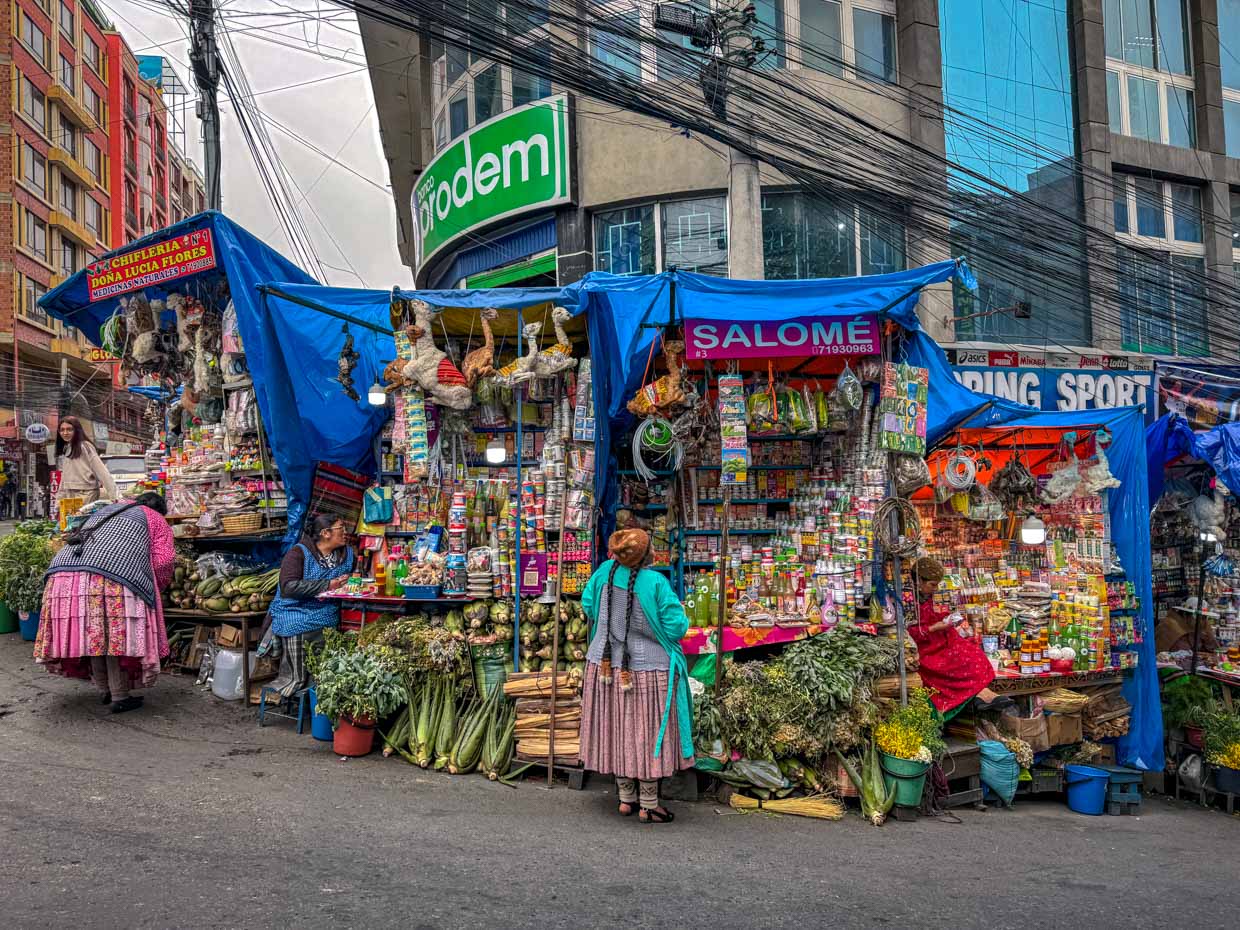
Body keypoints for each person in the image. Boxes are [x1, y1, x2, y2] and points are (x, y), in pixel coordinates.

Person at [580, 528, 694, 824]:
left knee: (617, 729)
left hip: (604, 667)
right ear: (645, 556)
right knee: (644, 734)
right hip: (647, 671)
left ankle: (625, 798)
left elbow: (588, 605)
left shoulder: (604, 572)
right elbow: (676, 628)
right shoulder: (655, 582)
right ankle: (649, 804)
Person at [34, 492, 174, 713]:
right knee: (112, 638)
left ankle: (105, 689)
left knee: (96, 636)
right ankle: (119, 696)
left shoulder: (108, 509)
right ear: (160, 510)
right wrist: (157, 586)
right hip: (108, 576)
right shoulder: (155, 518)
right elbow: (163, 561)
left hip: (62, 574)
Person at [264, 515, 354, 697]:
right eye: (341, 528)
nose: (345, 532)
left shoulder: (347, 554)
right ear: (326, 533)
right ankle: (297, 683)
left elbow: (355, 577)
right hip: (293, 608)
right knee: (296, 624)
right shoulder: (298, 553)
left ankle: (319, 687)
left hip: (326, 609)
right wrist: (328, 585)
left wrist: (350, 580)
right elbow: (288, 587)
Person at [908, 556, 998, 716]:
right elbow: (909, 631)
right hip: (922, 646)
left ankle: (979, 694)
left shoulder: (925, 596)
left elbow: (929, 616)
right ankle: (972, 696)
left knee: (973, 652)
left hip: (935, 638)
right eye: (932, 585)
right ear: (919, 581)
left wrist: (947, 618)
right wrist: (935, 627)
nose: (935, 589)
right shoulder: (907, 599)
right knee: (959, 660)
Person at [52, 416, 117, 511]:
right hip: (70, 495)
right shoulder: (67, 448)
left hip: (86, 494)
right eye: (62, 430)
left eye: (69, 429)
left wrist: (115, 497)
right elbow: (64, 477)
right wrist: (58, 501)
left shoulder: (85, 446)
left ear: (77, 430)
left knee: (81, 520)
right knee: (71, 520)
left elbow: (102, 472)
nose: (65, 433)